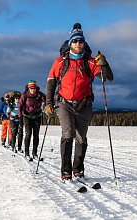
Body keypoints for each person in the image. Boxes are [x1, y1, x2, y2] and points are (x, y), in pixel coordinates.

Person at [45, 23, 114, 180]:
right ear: (70, 43)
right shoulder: (60, 62)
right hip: (64, 103)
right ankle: (66, 170)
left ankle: (78, 169)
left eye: (80, 41)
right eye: (75, 41)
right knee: (68, 134)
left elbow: (107, 78)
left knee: (81, 138)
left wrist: (104, 63)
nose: (78, 44)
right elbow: (51, 83)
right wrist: (48, 103)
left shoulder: (90, 62)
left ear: (84, 43)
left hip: (84, 104)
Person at [19, 80, 46, 161]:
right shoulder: (24, 95)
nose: (33, 90)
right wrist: (20, 117)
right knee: (28, 134)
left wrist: (48, 106)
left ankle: (35, 153)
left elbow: (46, 101)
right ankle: (27, 153)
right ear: (28, 88)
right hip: (27, 116)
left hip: (37, 116)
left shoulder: (40, 94)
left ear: (36, 88)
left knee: (36, 135)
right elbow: (20, 106)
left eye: (34, 88)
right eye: (31, 88)